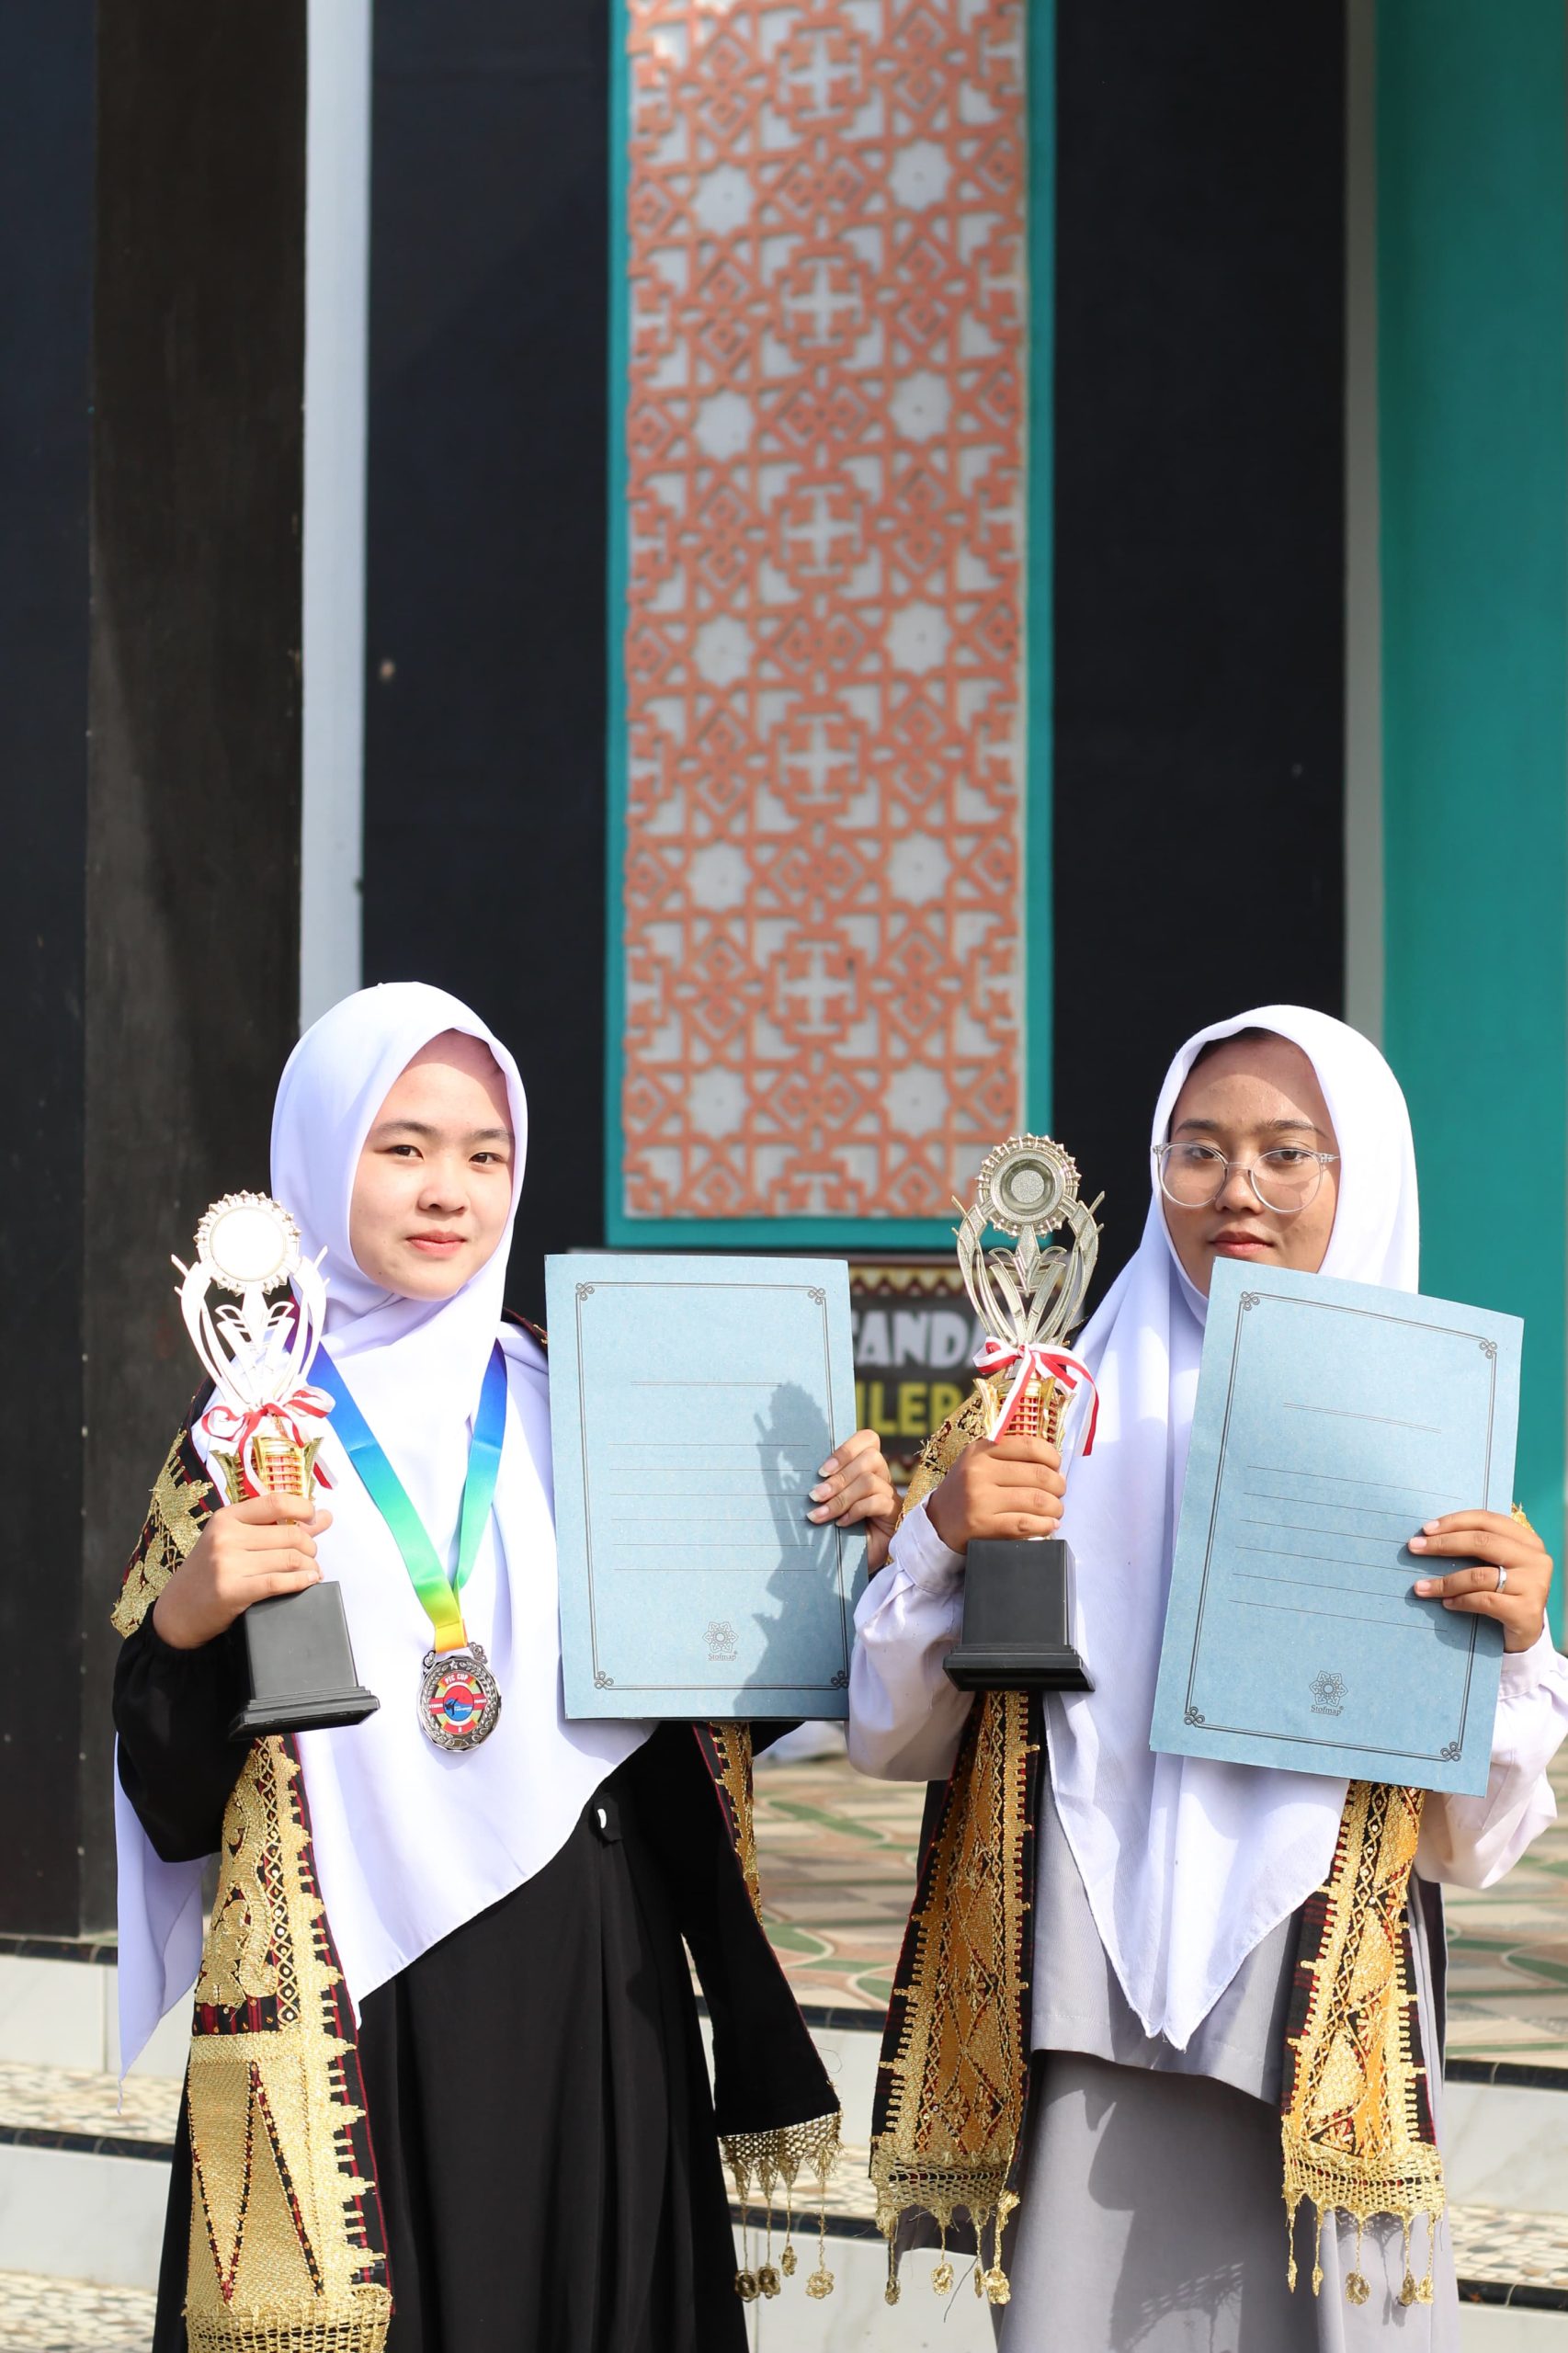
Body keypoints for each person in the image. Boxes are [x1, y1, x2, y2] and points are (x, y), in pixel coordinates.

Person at [112, 982, 897, 2353]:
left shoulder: (572, 1398)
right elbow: (173, 1796)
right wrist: (185, 1620)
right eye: (402, 1147)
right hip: (351, 1992)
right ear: (319, 1158)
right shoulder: (243, 1431)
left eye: (486, 1154)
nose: (448, 1192)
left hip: (589, 1971)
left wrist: (833, 1551)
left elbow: (702, 1711)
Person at [848, 1005, 1568, 2350]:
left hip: (1317, 1993)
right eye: (1198, 1151)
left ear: (1362, 1179)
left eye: (1288, 1154)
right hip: (1076, 1985)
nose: (1239, 1189)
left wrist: (1519, 1650)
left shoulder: (1424, 1448)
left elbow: (1468, 1844)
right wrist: (943, 1537)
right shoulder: (1037, 1414)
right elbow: (891, 1737)